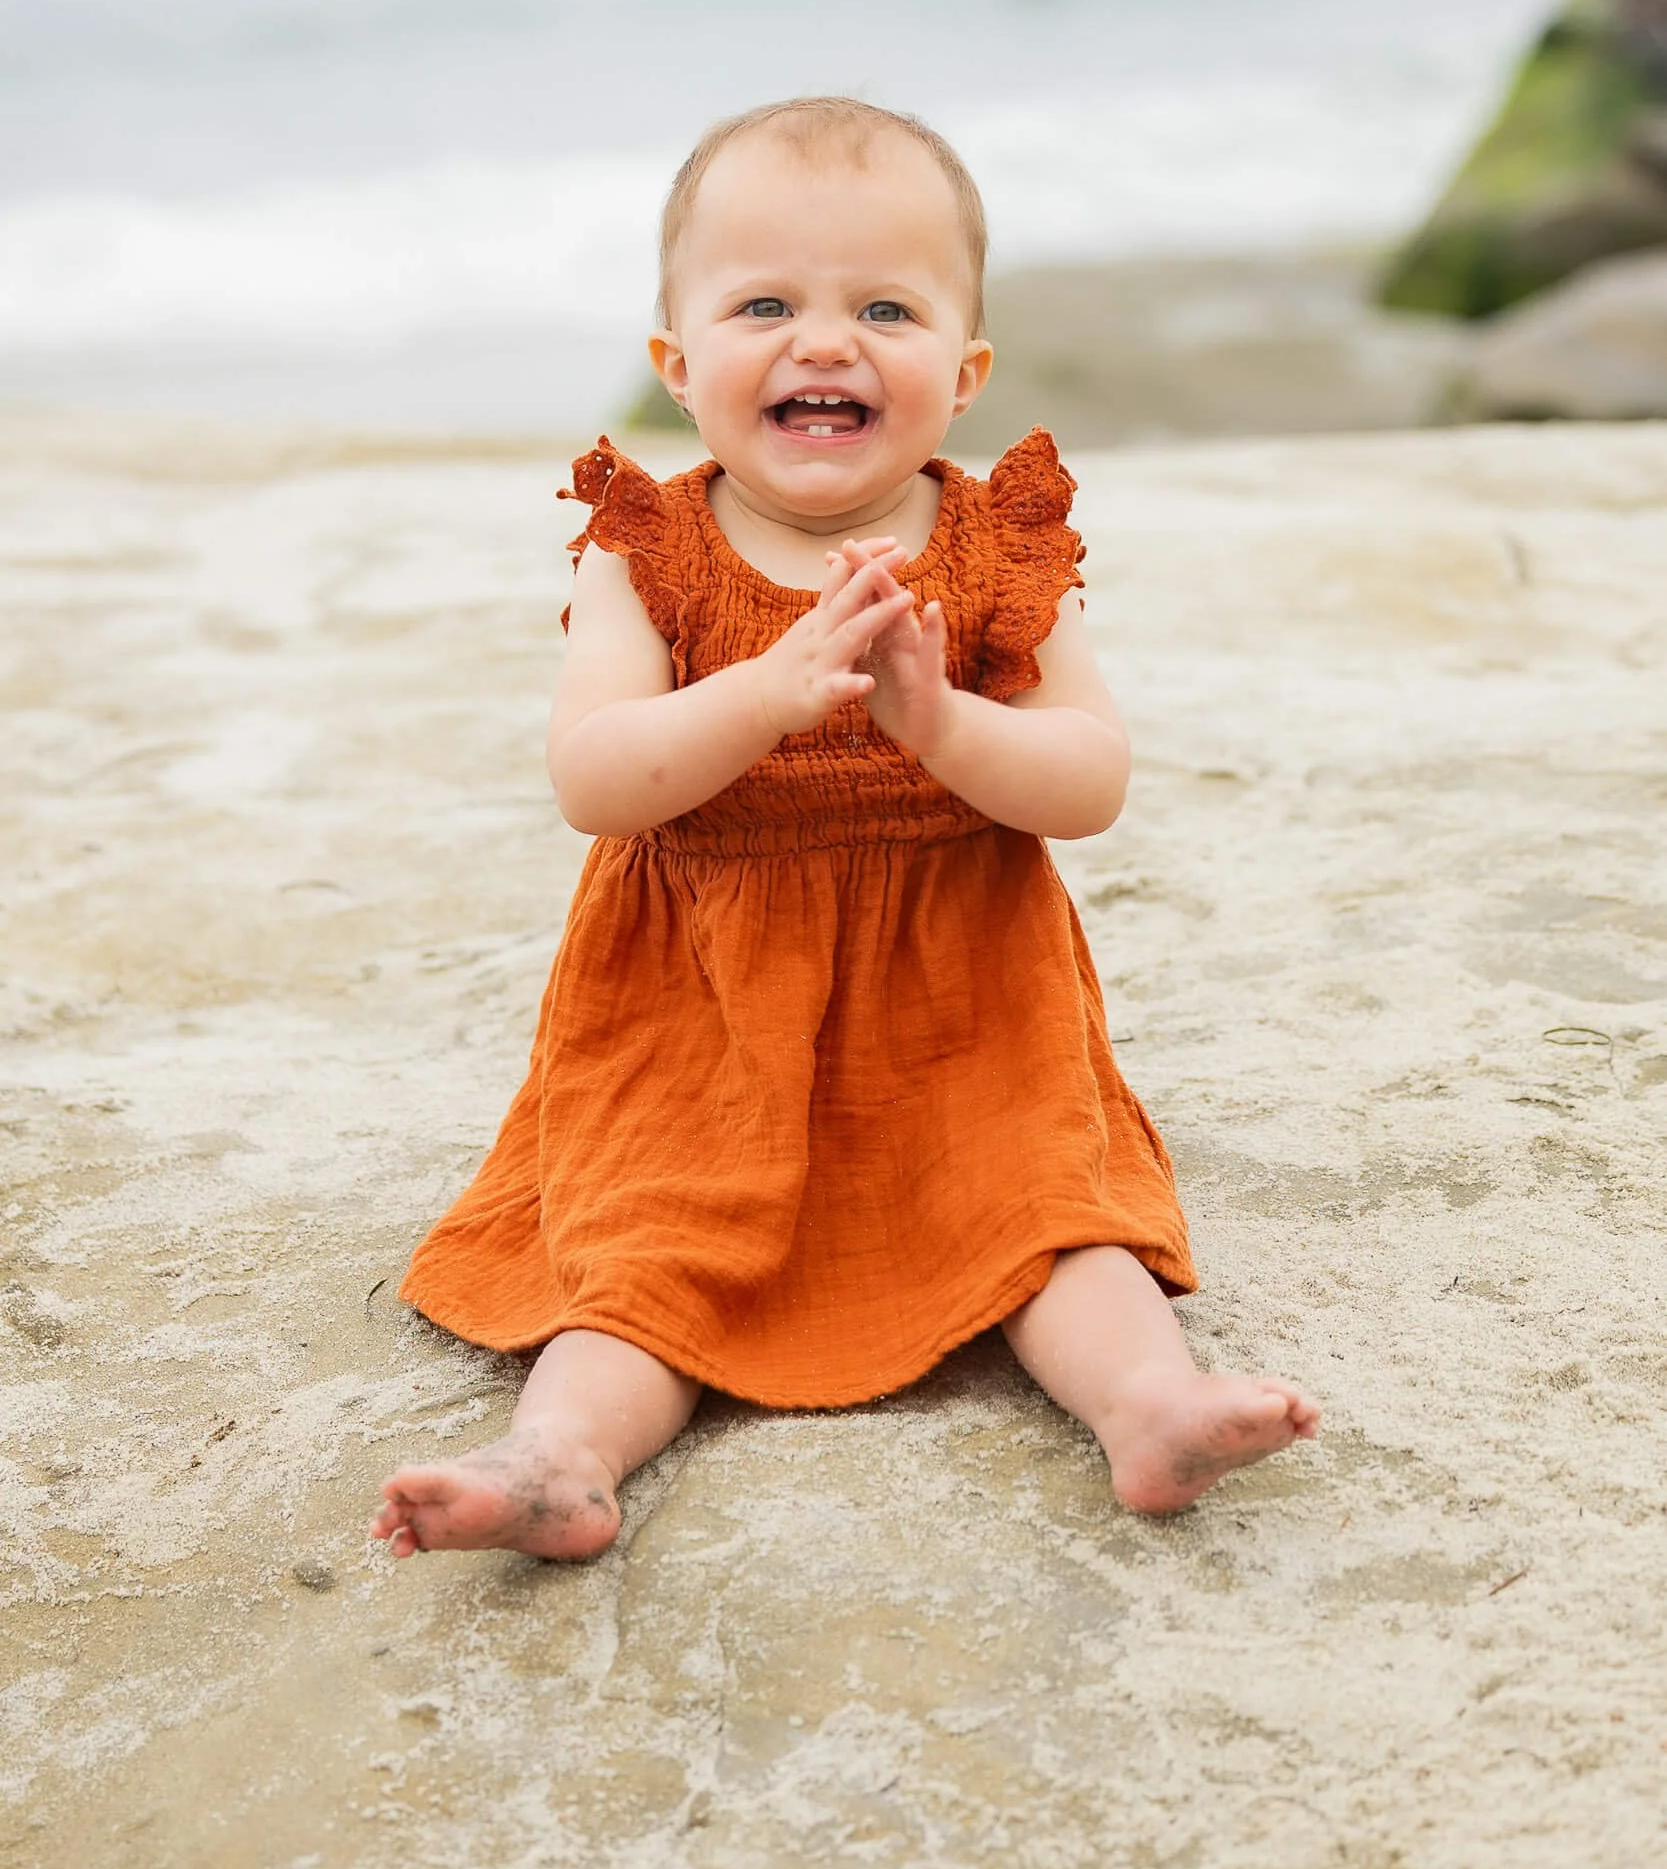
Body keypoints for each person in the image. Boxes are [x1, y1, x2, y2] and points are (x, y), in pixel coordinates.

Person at [371, 96, 1318, 1562]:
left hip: (962, 1004)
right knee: (647, 1253)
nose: (824, 342)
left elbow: (1088, 778)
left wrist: (941, 726)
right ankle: (558, 1462)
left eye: (884, 306)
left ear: (963, 369)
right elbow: (593, 778)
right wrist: (763, 690)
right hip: (702, 1014)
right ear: (678, 368)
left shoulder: (1002, 548)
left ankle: (1151, 1407)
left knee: (1051, 1214)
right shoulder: (649, 551)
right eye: (765, 305)